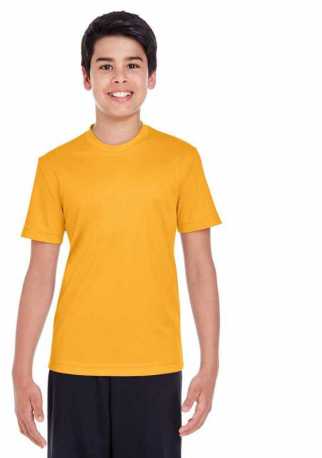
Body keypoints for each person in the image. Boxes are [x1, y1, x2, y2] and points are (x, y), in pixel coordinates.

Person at [12, 10, 222, 458]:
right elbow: (39, 274)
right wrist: (20, 369)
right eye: (106, 65)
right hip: (74, 366)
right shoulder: (55, 166)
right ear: (86, 77)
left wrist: (210, 363)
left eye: (133, 65)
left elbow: (200, 268)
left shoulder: (181, 160)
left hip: (155, 364)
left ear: (152, 76)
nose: (120, 77)